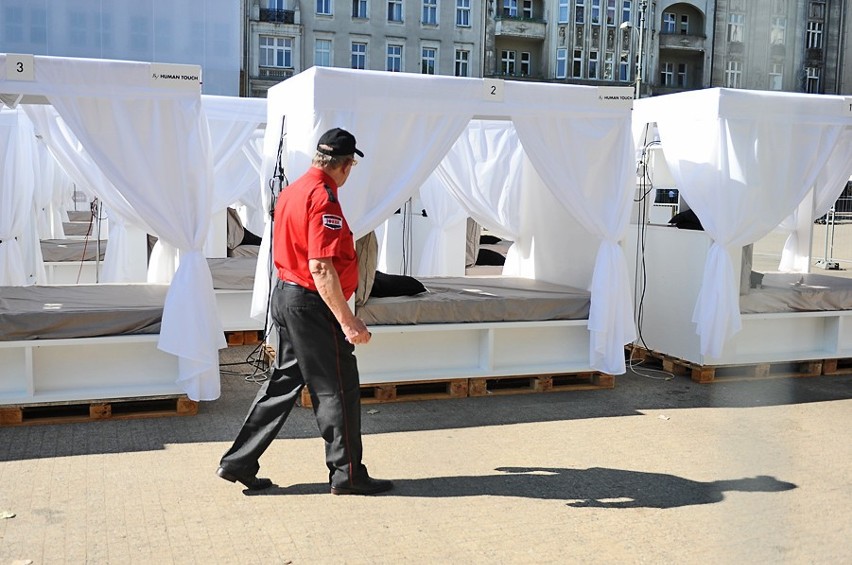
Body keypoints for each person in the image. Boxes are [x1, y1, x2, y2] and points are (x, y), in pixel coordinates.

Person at [216, 127, 393, 496]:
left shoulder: (293, 190)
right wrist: (348, 320)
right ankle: (348, 475)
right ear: (346, 166)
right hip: (312, 304)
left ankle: (239, 461)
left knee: (282, 383)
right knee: (338, 389)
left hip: (286, 296)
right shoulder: (323, 198)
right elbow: (321, 266)